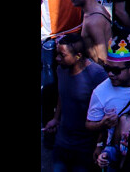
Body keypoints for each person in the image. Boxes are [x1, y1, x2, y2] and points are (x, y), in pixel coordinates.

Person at [46, 34, 109, 172]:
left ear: (78, 56)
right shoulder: (61, 69)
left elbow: (106, 110)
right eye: (57, 54)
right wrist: (56, 119)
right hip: (62, 142)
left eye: (62, 55)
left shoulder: (97, 75)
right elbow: (62, 94)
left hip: (85, 146)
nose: (57, 58)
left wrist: (99, 144)